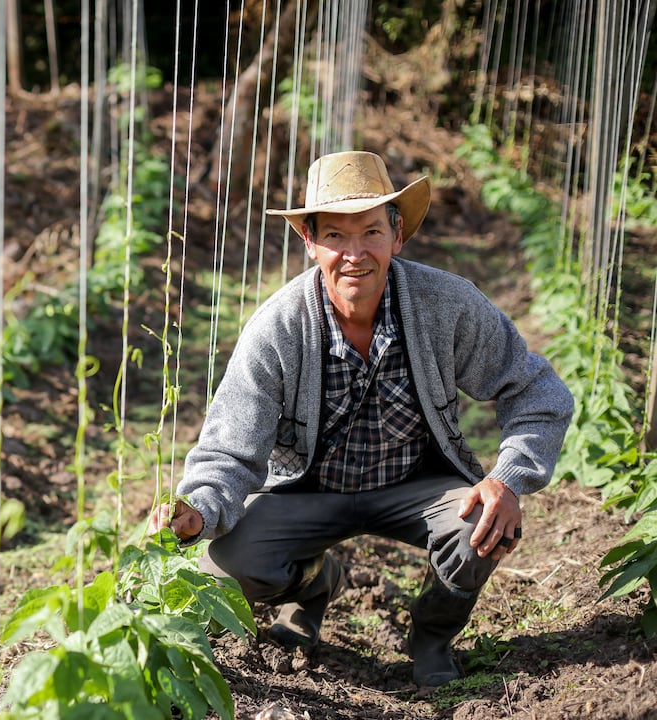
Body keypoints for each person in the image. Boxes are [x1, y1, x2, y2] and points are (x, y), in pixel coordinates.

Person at [150, 150, 573, 689]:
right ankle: (311, 582)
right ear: (310, 243)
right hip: (307, 493)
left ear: (397, 235)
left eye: (371, 231)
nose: (355, 254)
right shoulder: (277, 328)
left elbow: (537, 390)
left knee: (481, 526)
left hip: (415, 488)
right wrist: (199, 507)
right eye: (335, 237)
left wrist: (509, 478)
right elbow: (230, 450)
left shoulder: (446, 305)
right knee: (226, 563)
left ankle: (432, 635)